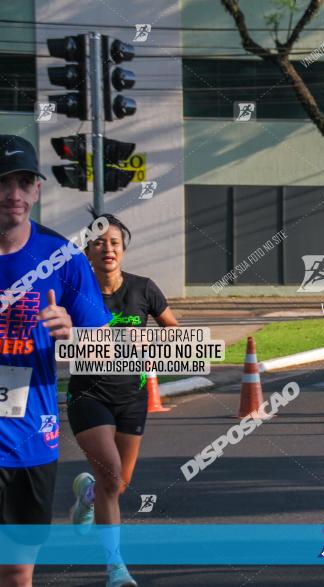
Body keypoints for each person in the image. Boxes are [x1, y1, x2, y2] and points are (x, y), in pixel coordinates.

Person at [0, 135, 111, 587]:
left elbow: (103, 347)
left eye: (25, 182)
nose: (14, 194)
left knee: (16, 570)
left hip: (29, 443)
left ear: (38, 190)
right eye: (4, 182)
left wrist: (72, 334)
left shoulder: (61, 257)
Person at [67, 209, 178, 587]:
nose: (107, 249)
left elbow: (174, 334)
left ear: (123, 250)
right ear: (88, 252)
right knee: (112, 476)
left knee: (117, 484)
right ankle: (115, 567)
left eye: (114, 242)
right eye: (99, 243)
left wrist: (152, 342)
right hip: (88, 394)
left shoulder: (144, 289)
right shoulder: (75, 291)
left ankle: (87, 496)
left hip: (132, 395)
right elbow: (54, 334)